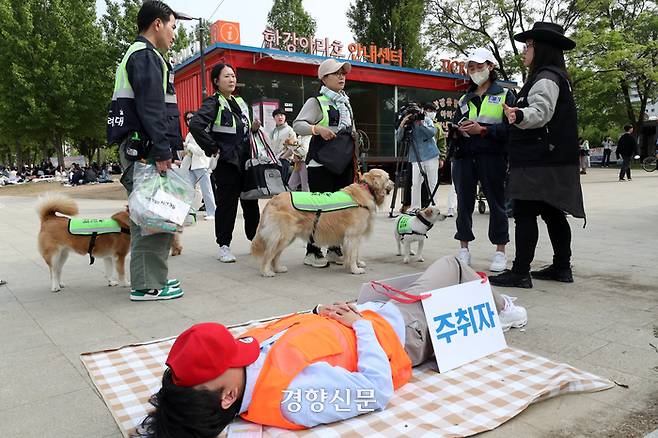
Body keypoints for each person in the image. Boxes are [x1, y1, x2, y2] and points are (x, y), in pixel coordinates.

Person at [135, 256, 527, 437]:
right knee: (456, 266)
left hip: (374, 313)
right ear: (228, 398)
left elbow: (283, 334)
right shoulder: (295, 398)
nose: (235, 345)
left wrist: (315, 310)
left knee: (422, 277)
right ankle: (503, 310)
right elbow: (375, 391)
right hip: (405, 334)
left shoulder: (236, 369)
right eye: (223, 354)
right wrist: (360, 328)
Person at [489, 22, 585, 289]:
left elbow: (541, 112)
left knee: (525, 213)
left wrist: (517, 114)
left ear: (541, 48)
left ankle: (520, 272)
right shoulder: (556, 75)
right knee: (553, 213)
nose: (524, 51)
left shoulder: (545, 77)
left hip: (538, 160)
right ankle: (562, 267)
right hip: (553, 159)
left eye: (528, 46)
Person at [106, 0, 188, 301]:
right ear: (157, 24)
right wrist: (163, 150)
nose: (174, 34)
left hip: (142, 148)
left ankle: (153, 278)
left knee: (151, 217)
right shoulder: (145, 56)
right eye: (173, 27)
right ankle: (147, 285)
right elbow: (152, 108)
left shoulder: (141, 55)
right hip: (145, 150)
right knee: (153, 218)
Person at [449, 48, 516, 273]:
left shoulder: (505, 95)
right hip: (465, 156)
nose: (475, 71)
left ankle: (500, 251)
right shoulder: (464, 98)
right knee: (464, 204)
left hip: (492, 156)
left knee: (497, 203)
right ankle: (464, 250)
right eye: (471, 68)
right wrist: (458, 130)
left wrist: (484, 130)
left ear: (491, 67)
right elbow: (457, 123)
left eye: (480, 67)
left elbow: (511, 129)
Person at [189, 63, 260, 263]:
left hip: (246, 160)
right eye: (227, 76)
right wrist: (213, 147)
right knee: (227, 204)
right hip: (227, 163)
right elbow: (196, 124)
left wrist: (253, 128)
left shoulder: (240, 102)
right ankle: (224, 246)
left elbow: (242, 129)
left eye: (233, 76)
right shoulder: (214, 103)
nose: (232, 79)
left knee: (251, 202)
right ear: (216, 81)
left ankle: (255, 241)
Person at [293, 59, 359, 268]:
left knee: (340, 208)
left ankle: (334, 249)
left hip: (344, 161)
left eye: (343, 73)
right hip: (321, 163)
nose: (341, 77)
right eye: (336, 73)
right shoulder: (316, 101)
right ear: (324, 78)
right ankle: (312, 251)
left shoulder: (345, 102)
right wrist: (317, 129)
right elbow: (298, 124)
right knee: (320, 208)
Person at [396, 102, 442, 213]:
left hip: (431, 155)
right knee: (415, 183)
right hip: (415, 157)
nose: (414, 116)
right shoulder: (407, 124)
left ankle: (432, 207)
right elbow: (399, 138)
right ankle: (415, 206)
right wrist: (402, 124)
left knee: (432, 182)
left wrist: (421, 124)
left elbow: (431, 133)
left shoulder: (426, 120)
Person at [183, 111, 216, 220]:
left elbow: (201, 151)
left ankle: (212, 212)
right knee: (188, 190)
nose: (189, 120)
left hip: (201, 164)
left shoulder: (200, 131)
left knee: (206, 190)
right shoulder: (189, 134)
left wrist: (189, 146)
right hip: (191, 165)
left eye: (191, 118)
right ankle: (187, 211)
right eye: (187, 119)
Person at [269, 108, 297, 182]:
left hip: (284, 161)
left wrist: (283, 157)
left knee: (282, 183)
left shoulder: (290, 130)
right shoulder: (273, 132)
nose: (280, 117)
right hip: (273, 160)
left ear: (285, 117)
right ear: (274, 118)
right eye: (277, 115)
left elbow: (294, 147)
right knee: (274, 183)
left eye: (282, 115)